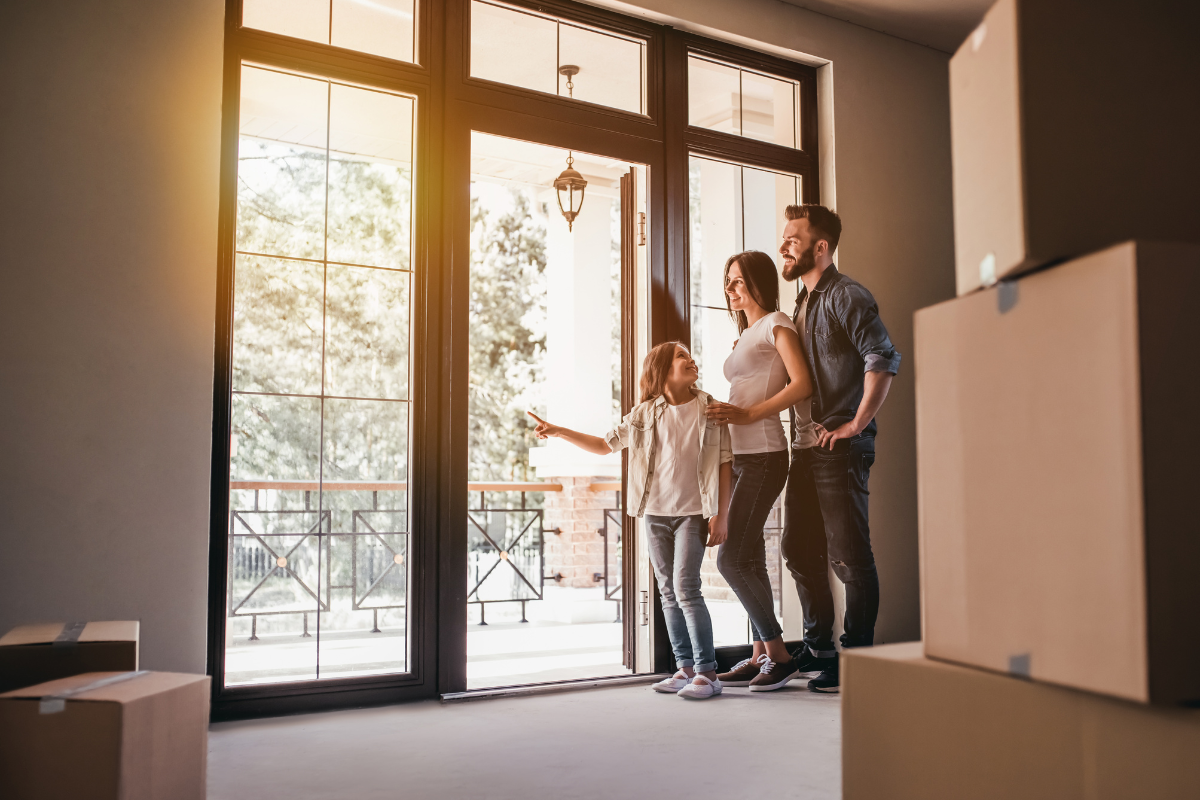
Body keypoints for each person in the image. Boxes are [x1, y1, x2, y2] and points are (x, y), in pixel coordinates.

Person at [527, 342, 733, 700]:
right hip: (653, 512)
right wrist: (559, 431)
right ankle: (684, 668)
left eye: (690, 354)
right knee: (668, 591)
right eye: (681, 356)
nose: (691, 359)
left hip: (693, 513)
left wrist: (721, 514)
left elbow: (725, 462)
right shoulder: (643, 414)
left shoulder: (709, 408)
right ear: (663, 369)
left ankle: (708, 673)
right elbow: (605, 444)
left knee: (686, 588)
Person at [777, 204, 901, 693]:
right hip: (805, 449)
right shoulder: (801, 305)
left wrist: (856, 424)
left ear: (820, 247)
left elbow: (883, 357)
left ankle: (856, 658)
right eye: (783, 237)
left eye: (793, 238)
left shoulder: (846, 295)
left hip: (840, 447)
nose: (784, 245)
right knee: (798, 550)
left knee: (849, 557)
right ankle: (821, 650)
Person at [705, 251, 815, 692]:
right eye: (727, 282)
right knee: (748, 557)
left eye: (738, 281)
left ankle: (780, 654)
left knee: (730, 557)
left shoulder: (777, 322)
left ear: (759, 283)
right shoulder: (747, 333)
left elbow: (802, 383)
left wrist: (748, 415)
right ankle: (758, 656)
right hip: (744, 455)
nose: (731, 290)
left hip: (767, 453)